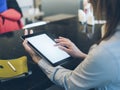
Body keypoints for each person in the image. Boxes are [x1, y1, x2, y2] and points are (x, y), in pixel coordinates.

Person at [23, 0, 120, 90]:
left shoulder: (105, 52)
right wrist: (83, 55)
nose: (88, 1)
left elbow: (69, 82)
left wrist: (38, 59)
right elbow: (111, 65)